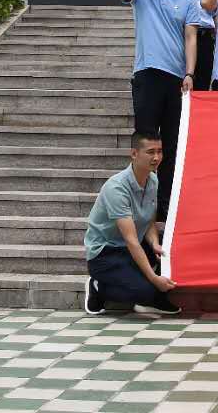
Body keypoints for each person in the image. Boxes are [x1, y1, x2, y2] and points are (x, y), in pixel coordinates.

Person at [111, 0, 202, 226]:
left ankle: (164, 207)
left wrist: (190, 73)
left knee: (171, 147)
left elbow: (191, 38)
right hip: (148, 73)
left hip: (176, 79)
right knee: (146, 142)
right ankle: (138, 201)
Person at [83, 130, 180, 316]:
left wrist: (154, 244)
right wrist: (153, 279)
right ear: (134, 154)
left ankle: (154, 292)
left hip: (132, 247)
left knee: (171, 243)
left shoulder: (152, 180)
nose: (156, 157)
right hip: (106, 253)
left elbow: (149, 220)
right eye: (150, 152)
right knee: (143, 292)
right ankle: (98, 287)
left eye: (159, 151)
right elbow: (131, 240)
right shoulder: (117, 188)